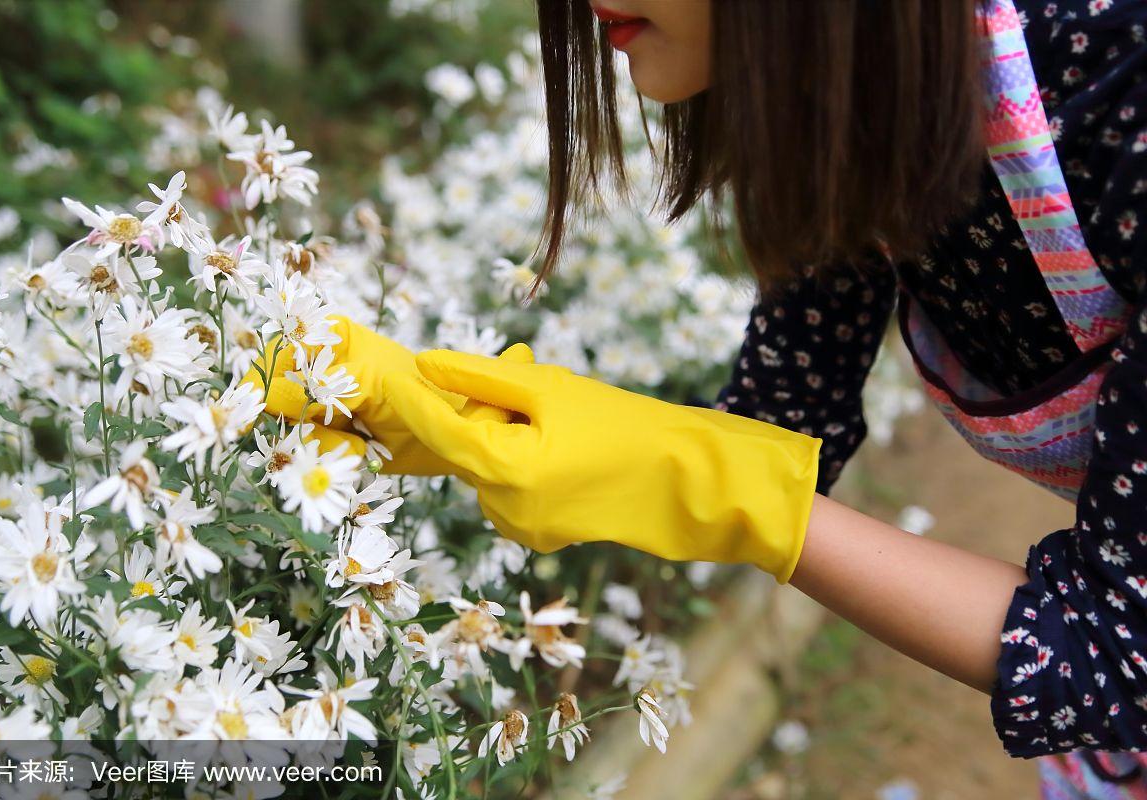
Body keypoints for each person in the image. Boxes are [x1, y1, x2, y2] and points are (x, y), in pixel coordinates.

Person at [251, 1, 1146, 795]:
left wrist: (718, 487)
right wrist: (460, 419)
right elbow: (786, 422)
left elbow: (1112, 648)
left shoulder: (1117, 86)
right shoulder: (848, 95)